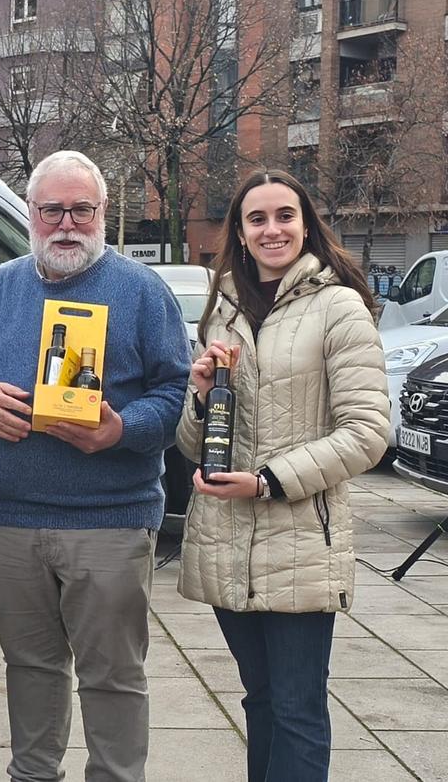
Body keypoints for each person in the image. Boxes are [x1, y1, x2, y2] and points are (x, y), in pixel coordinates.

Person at [0, 150, 190, 782]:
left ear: (104, 214)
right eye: (52, 209)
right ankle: (32, 775)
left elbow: (176, 394)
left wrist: (120, 429)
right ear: (30, 213)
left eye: (82, 209)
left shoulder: (142, 293)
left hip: (109, 521)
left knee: (113, 676)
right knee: (29, 668)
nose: (66, 223)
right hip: (12, 520)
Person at [176, 170, 388, 782]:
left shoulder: (338, 305)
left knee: (297, 709)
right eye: (257, 219)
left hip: (299, 538)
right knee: (260, 701)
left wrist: (267, 480)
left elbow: (367, 432)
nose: (273, 230)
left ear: (306, 224)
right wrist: (198, 397)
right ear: (239, 233)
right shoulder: (222, 308)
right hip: (226, 539)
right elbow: (196, 446)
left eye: (285, 216)